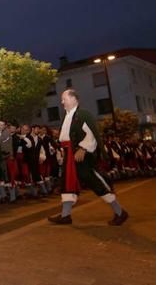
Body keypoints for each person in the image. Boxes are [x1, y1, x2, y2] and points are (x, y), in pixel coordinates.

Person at [48, 89, 129, 226]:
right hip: (70, 155)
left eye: (64, 99)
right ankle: (65, 215)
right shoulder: (68, 115)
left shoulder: (82, 114)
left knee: (93, 181)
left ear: (74, 99)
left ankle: (120, 212)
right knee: (67, 183)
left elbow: (91, 133)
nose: (62, 102)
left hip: (81, 156)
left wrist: (84, 148)